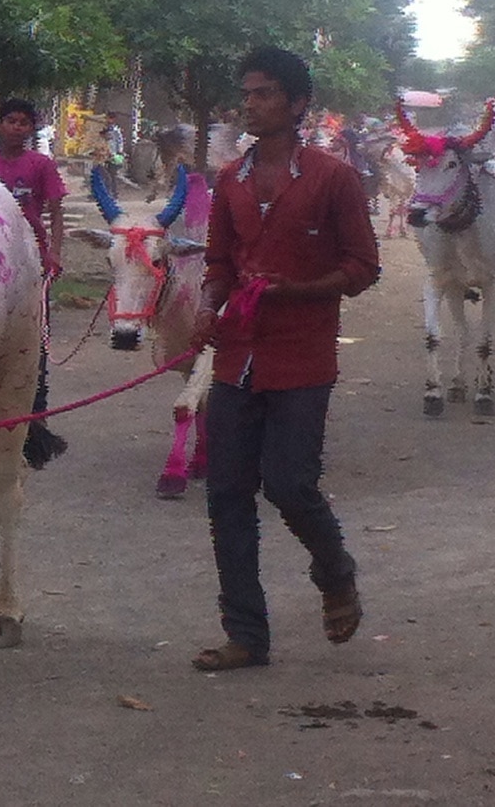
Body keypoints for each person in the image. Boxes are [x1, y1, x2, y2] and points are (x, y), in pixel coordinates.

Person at [186, 46, 381, 672]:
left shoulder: (333, 178)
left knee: (292, 485)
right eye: (247, 93)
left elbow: (363, 267)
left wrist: (299, 292)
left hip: (302, 357)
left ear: (298, 106)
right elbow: (218, 260)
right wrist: (209, 301)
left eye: (265, 93)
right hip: (235, 356)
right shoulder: (230, 179)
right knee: (225, 494)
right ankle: (246, 634)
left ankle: (335, 570)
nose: (251, 103)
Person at [0, 97, 69, 468]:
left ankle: (35, 415)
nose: (17, 127)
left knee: (32, 341)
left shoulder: (40, 166)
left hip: (29, 265)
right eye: (11, 120)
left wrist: (54, 253)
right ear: (0, 124)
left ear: (32, 129)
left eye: (24, 122)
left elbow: (56, 213)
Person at [102, 111, 126, 197]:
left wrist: (119, 151)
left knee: (112, 175)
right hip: (104, 154)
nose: (107, 120)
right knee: (104, 174)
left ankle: (113, 192)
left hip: (113, 154)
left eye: (109, 118)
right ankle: (107, 191)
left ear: (113, 119)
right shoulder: (104, 129)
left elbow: (119, 142)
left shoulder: (115, 130)